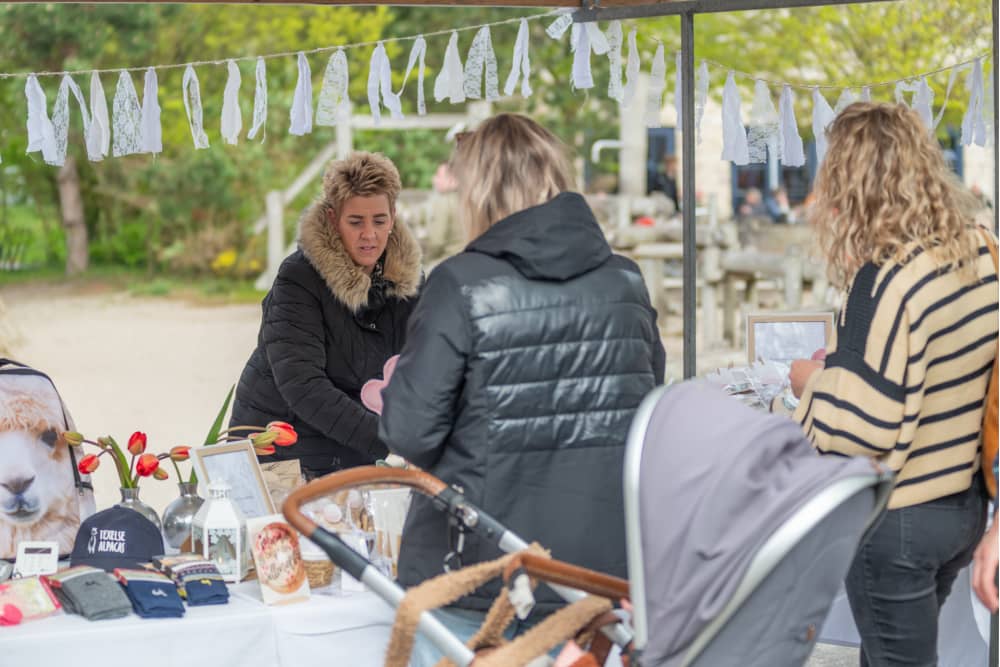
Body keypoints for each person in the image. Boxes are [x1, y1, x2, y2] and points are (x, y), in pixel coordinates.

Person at [379, 113, 665, 666]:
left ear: (480, 189)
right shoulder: (626, 281)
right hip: (598, 568)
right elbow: (647, 410)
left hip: (481, 566)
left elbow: (409, 431)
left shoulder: (460, 283)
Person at [788, 102, 997, 666]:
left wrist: (811, 382)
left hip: (900, 516)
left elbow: (865, 426)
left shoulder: (885, 279)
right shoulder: (981, 248)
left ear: (848, 184)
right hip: (962, 507)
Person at [231, 151, 422, 480]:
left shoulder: (409, 284)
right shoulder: (299, 278)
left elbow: (424, 371)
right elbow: (304, 386)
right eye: (355, 222)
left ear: (393, 217)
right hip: (282, 449)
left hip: (358, 448)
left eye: (379, 221)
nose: (369, 234)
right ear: (333, 219)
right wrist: (392, 441)